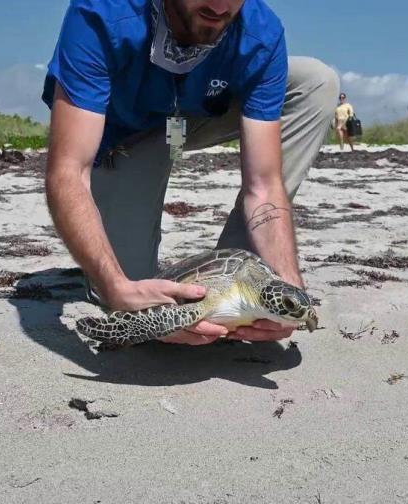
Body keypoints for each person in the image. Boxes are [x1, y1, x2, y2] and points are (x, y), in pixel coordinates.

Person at [42, 0, 338, 345]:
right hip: (127, 136)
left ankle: (249, 279)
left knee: (317, 80)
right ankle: (132, 286)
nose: (219, 4)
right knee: (134, 296)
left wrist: (287, 282)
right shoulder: (103, 14)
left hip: (194, 114)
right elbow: (68, 172)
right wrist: (116, 286)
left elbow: (264, 184)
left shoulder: (260, 30)